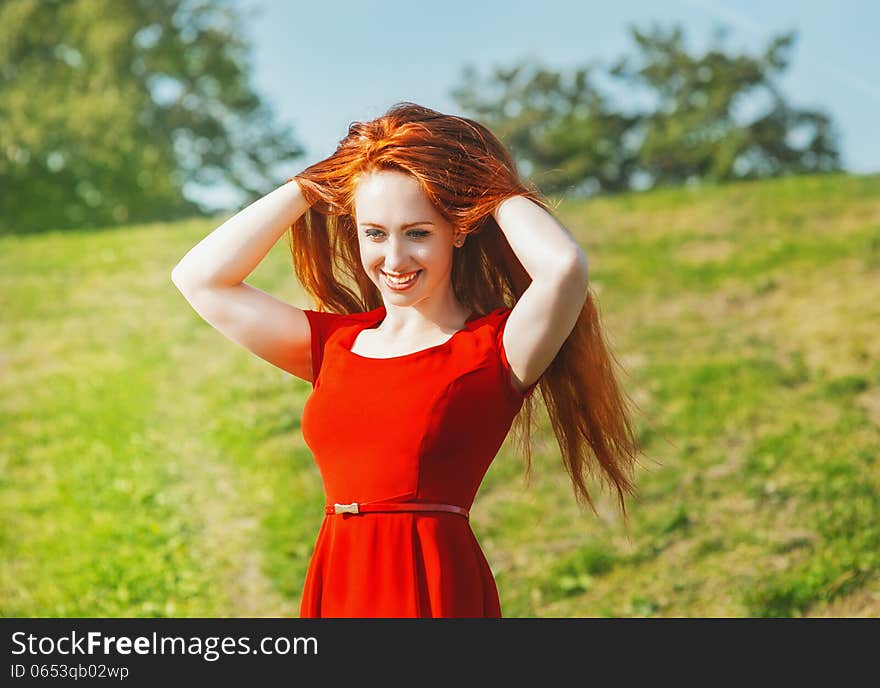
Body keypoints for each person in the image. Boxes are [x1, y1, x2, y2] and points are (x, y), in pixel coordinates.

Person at [171, 102, 643, 618]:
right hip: (339, 580)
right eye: (375, 232)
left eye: (417, 232)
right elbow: (200, 278)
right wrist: (317, 182)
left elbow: (564, 266)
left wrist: (485, 188)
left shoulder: (497, 348)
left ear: (457, 231)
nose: (393, 260)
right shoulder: (334, 346)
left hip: (431, 585)